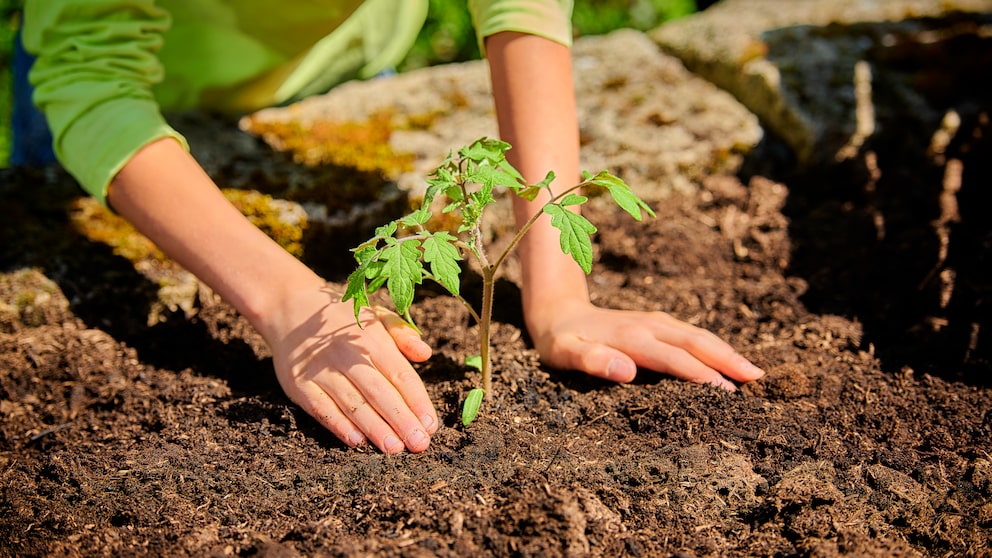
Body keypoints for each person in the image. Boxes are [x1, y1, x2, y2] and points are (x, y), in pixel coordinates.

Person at [17, 0, 765, 455]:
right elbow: (91, 82)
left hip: (345, 54)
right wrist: (289, 303)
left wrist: (561, 293)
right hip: (140, 89)